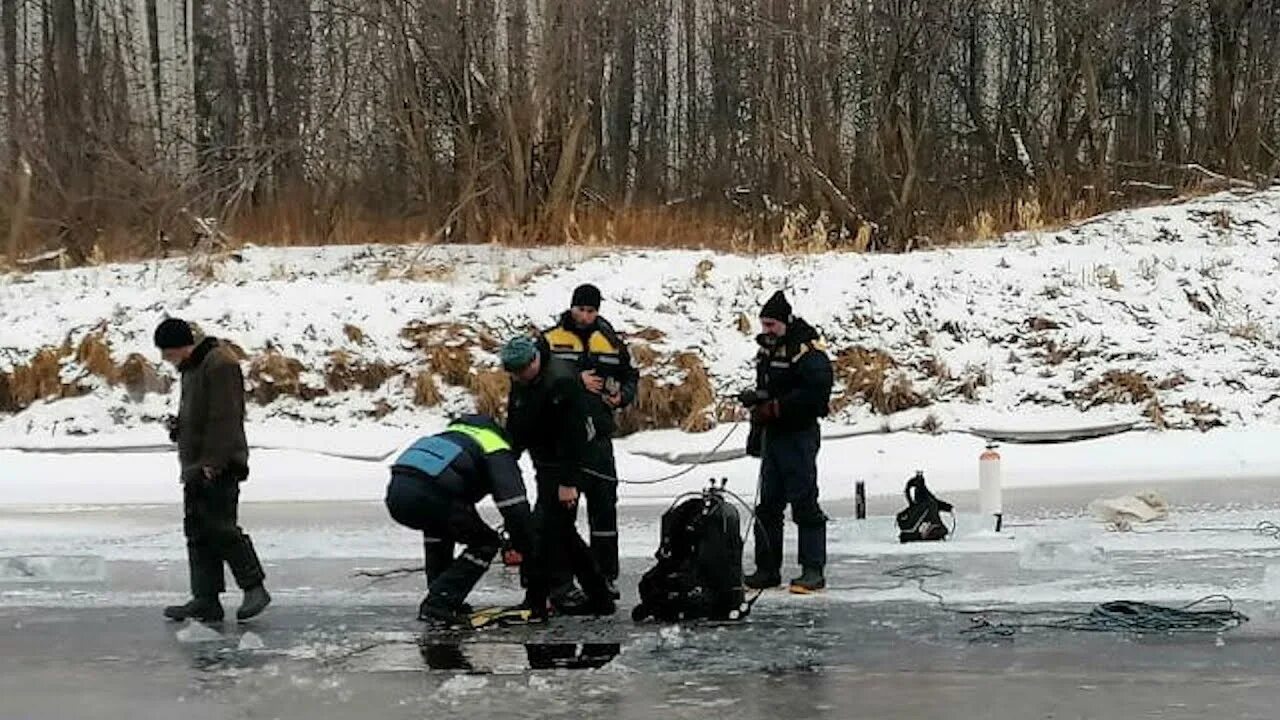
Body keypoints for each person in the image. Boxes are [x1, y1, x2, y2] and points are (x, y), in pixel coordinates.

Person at [155, 318, 270, 623]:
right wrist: (181, 427)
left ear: (181, 346)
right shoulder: (192, 367)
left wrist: (214, 462)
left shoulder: (219, 364)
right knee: (197, 532)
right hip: (195, 464)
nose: (166, 359)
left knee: (221, 528)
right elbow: (201, 413)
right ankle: (205, 599)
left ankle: (254, 587)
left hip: (218, 465)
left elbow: (226, 416)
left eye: (167, 353)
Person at [384, 414, 543, 626]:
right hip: (433, 493)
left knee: (438, 533)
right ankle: (439, 603)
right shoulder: (494, 445)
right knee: (485, 543)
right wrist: (528, 552)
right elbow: (514, 506)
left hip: (397, 493)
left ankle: (442, 596)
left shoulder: (449, 436)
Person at [500, 335, 615, 616]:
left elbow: (575, 436)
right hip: (547, 463)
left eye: (522, 371)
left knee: (546, 531)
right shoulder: (523, 380)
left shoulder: (561, 382)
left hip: (572, 465)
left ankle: (539, 599)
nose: (519, 377)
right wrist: (506, 456)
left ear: (534, 361)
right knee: (560, 533)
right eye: (514, 373)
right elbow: (518, 423)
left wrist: (569, 483)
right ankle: (597, 596)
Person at [541, 283, 638, 596]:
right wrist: (574, 378)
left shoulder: (610, 341)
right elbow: (535, 379)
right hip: (561, 440)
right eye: (580, 309)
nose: (585, 316)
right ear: (571, 308)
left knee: (604, 511)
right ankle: (560, 581)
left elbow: (631, 376)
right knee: (558, 512)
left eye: (591, 311)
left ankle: (605, 576)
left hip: (599, 439)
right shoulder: (549, 340)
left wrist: (621, 396)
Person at [740, 292, 834, 594]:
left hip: (799, 435)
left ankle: (812, 570)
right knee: (768, 506)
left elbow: (817, 396)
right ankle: (767, 569)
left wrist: (778, 407)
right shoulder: (768, 351)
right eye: (763, 325)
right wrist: (758, 408)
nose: (766, 330)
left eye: (771, 325)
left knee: (804, 502)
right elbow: (768, 389)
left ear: (784, 322)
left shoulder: (806, 350)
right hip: (774, 436)